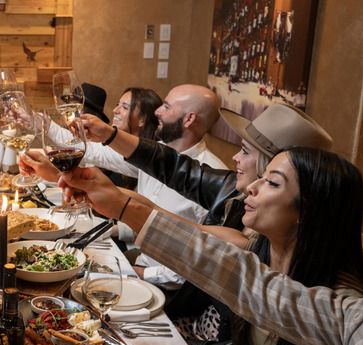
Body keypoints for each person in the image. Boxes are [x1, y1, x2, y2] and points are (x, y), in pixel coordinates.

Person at [59, 146, 363, 345]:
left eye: (271, 182)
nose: (250, 187)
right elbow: (189, 242)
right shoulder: (260, 252)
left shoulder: (343, 307)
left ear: (307, 211)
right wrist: (109, 196)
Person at [79, 102, 333, 342]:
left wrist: (121, 204)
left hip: (202, 339)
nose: (235, 157)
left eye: (245, 151)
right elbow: (172, 168)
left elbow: (190, 235)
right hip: (191, 317)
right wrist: (109, 138)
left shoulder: (266, 247)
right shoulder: (235, 192)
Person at [22, 84, 226, 291]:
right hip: (139, 262)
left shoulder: (212, 179)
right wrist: (40, 123)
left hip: (167, 286)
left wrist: (138, 273)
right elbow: (93, 152)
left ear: (189, 119)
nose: (157, 111)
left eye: (166, 106)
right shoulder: (155, 155)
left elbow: (208, 257)